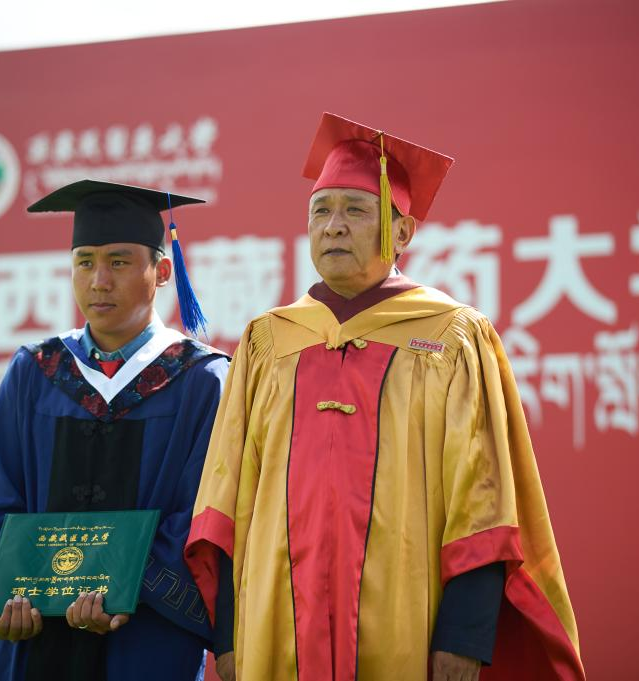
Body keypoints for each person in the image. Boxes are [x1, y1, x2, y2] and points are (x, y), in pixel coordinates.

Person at [184, 113, 584, 681]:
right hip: (274, 633)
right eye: (320, 211)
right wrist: (227, 639)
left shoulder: (451, 337)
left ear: (402, 233)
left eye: (355, 210)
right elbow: (226, 502)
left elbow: (484, 500)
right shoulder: (267, 343)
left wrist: (464, 637)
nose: (333, 227)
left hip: (407, 631)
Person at [0, 180, 229, 681]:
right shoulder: (35, 371)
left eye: (119, 262)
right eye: (84, 262)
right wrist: (11, 592)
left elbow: (203, 513)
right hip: (35, 636)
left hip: (146, 638)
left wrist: (120, 587)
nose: (99, 280)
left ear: (162, 272)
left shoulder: (201, 380)